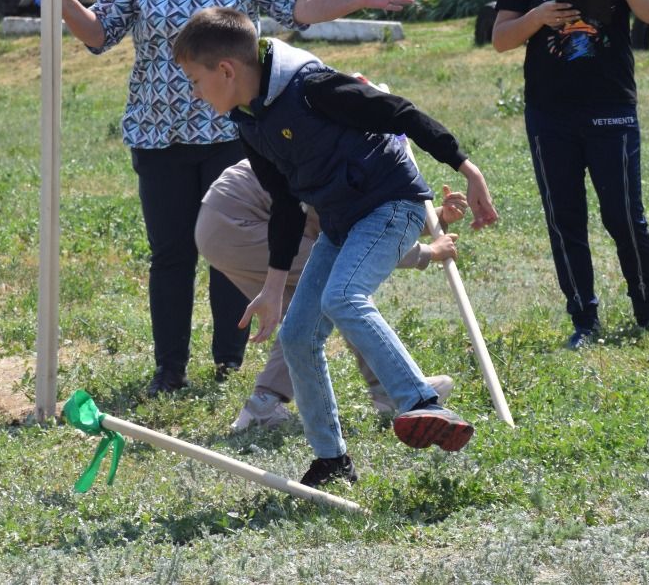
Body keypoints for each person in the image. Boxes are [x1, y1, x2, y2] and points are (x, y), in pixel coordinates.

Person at [35, 0, 418, 396]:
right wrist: (67, 1)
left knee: (227, 246)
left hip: (236, 132)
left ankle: (228, 361)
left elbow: (302, 5)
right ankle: (168, 370)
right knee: (171, 253)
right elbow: (100, 35)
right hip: (158, 133)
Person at [173, 6, 498, 489]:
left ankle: (423, 404)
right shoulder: (249, 121)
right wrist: (272, 286)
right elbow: (285, 206)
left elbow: (400, 113)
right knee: (298, 335)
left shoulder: (312, 87)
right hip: (341, 223)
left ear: (226, 70)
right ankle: (332, 461)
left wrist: (468, 169)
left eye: (194, 80)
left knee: (343, 298)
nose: (194, 93)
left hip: (393, 205)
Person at [490, 0, 649, 350]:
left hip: (611, 108)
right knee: (565, 218)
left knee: (624, 216)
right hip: (549, 113)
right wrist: (537, 17)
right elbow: (499, 39)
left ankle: (648, 314)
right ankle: (584, 320)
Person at [196, 157, 465, 431]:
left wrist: (439, 217)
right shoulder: (345, 168)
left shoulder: (349, 154)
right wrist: (427, 252)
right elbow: (355, 239)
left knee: (309, 310)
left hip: (218, 225)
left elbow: (378, 221)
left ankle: (264, 405)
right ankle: (391, 390)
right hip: (240, 224)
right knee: (343, 292)